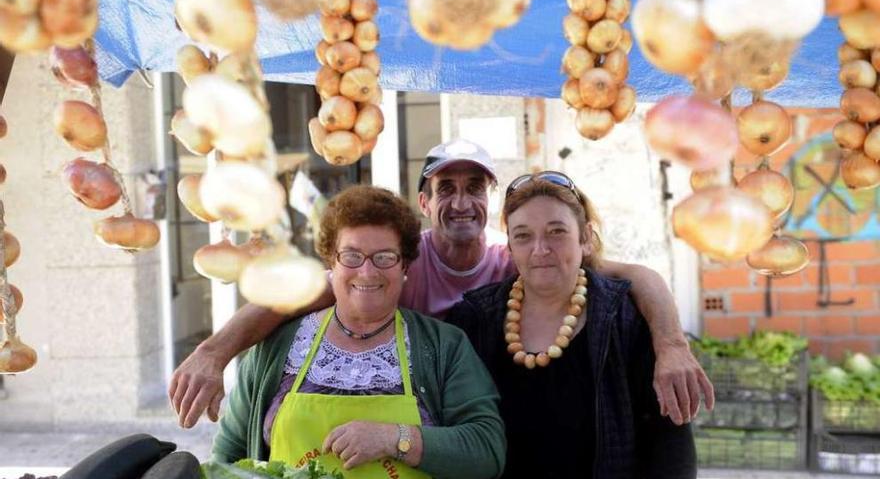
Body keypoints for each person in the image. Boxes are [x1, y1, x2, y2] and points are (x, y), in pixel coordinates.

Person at [170, 139, 714, 429]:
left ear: (489, 205)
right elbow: (290, 297)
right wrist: (213, 354)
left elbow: (636, 275)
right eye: (445, 187)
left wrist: (670, 345)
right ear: (424, 203)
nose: (460, 200)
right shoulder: (393, 266)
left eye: (474, 186)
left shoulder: (518, 263)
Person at [212, 185, 505, 479]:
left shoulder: (444, 346)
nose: (367, 272)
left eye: (384, 257)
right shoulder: (278, 348)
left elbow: (487, 449)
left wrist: (395, 439)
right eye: (352, 256)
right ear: (331, 261)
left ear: (405, 264)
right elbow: (227, 458)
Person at [447, 172, 696, 478]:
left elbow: (670, 444)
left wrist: (673, 343)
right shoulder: (474, 320)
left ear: (586, 239)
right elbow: (453, 433)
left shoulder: (625, 321)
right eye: (523, 235)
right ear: (509, 247)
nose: (540, 249)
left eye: (556, 232)